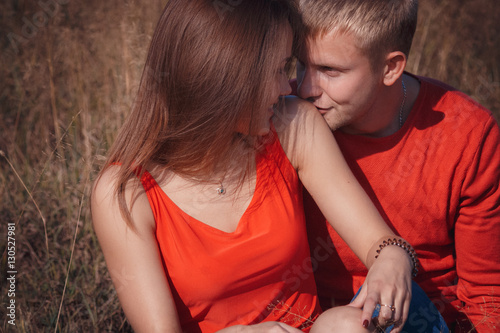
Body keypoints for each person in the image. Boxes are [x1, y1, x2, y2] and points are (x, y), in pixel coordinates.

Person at [91, 0, 418, 332]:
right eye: (276, 70)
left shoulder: (293, 126)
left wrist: (392, 257)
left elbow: (374, 239)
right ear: (226, 77)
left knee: (347, 326)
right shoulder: (125, 193)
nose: (287, 87)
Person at [294, 0, 500, 332]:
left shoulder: (468, 135)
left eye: (329, 71)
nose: (305, 88)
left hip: (422, 318)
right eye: (299, 64)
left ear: (390, 68)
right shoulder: (281, 117)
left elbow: (487, 291)